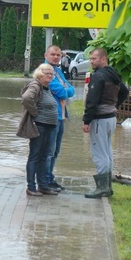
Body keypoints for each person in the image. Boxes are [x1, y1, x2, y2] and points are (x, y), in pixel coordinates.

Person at [82, 48, 129, 199]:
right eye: (91, 58)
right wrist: (115, 105)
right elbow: (125, 91)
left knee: (99, 153)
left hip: (100, 119)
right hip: (111, 118)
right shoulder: (113, 75)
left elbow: (92, 100)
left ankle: (102, 188)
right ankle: (107, 186)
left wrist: (86, 120)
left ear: (103, 59)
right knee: (107, 151)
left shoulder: (98, 76)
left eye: (94, 58)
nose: (91, 61)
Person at [20, 63, 60, 197]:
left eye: (51, 73)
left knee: (44, 157)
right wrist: (35, 113)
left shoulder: (46, 88)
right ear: (39, 74)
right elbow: (26, 98)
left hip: (49, 126)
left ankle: (43, 186)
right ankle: (31, 187)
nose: (49, 75)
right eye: (46, 73)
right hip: (40, 126)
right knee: (35, 157)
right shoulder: (35, 85)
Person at [44, 45, 75, 191]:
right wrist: (66, 90)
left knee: (55, 150)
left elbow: (71, 89)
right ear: (46, 55)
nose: (56, 57)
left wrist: (66, 90)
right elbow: (62, 92)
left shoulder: (57, 70)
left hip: (60, 116)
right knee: (49, 151)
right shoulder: (45, 70)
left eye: (58, 55)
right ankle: (45, 181)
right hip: (50, 116)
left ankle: (49, 177)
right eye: (53, 54)